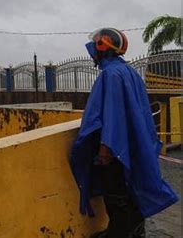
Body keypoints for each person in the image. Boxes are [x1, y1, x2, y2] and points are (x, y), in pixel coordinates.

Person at [70, 28, 178, 238]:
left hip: (115, 149)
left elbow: (112, 115)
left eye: (95, 45)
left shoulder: (110, 75)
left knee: (117, 196)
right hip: (131, 144)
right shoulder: (129, 72)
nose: (92, 51)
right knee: (131, 193)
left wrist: (106, 148)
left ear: (102, 47)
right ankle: (135, 232)